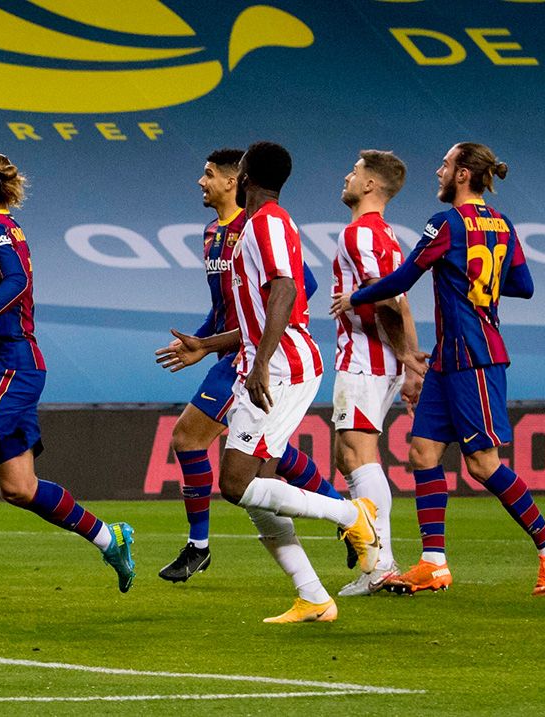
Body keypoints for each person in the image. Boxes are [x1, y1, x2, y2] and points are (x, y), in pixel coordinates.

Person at [334, 142, 545, 596]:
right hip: (451, 358)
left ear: (463, 174)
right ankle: (433, 563)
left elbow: (404, 278)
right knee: (422, 453)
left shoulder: (443, 224)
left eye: (445, 166)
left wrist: (356, 297)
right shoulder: (502, 224)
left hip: (476, 357)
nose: (438, 172)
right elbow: (523, 285)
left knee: (483, 465)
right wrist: (482, 273)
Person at [172, 141, 379, 624]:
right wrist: (212, 345)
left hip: (283, 365)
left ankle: (352, 515)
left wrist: (261, 361)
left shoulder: (267, 224)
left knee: (237, 482)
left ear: (242, 175)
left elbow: (287, 287)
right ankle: (313, 596)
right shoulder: (255, 225)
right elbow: (254, 314)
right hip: (259, 361)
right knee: (255, 484)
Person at [0, 151, 135, 598]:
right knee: (20, 487)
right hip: (12, 365)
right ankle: (111, 539)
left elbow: (15, 283)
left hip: (9, 364)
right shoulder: (2, 228)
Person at [154, 148, 344, 584]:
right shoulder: (212, 233)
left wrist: (263, 341)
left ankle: (199, 547)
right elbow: (225, 305)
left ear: (232, 180)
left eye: (207, 175)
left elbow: (298, 286)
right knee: (267, 450)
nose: (200, 183)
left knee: (189, 438)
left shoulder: (256, 225)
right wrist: (202, 342)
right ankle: (337, 513)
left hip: (252, 357)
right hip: (227, 353)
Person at [327, 150, 425, 596]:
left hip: (366, 358)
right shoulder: (385, 235)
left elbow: (386, 300)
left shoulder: (360, 234)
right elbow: (401, 299)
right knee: (349, 456)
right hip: (378, 359)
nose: (347, 177)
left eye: (354, 172)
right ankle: (377, 559)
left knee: (358, 457)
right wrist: (411, 360)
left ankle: (380, 565)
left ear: (370, 185)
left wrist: (407, 359)